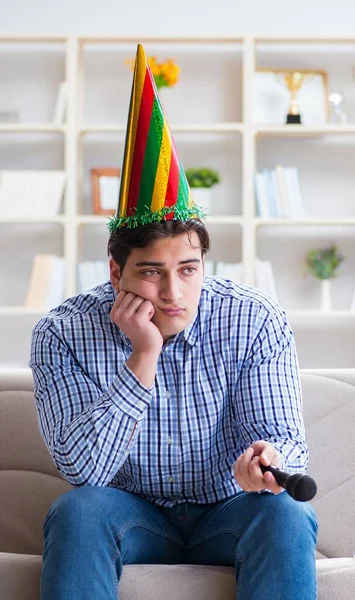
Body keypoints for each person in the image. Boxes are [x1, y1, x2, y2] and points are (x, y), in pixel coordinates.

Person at [30, 44, 317, 600]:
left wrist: (266, 464)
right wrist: (142, 356)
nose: (173, 292)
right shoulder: (63, 333)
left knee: (283, 513)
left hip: (227, 510)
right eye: (151, 273)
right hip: (130, 514)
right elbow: (85, 472)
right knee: (78, 509)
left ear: (204, 262)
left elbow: (283, 441)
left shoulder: (254, 319)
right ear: (115, 271)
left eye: (188, 269)